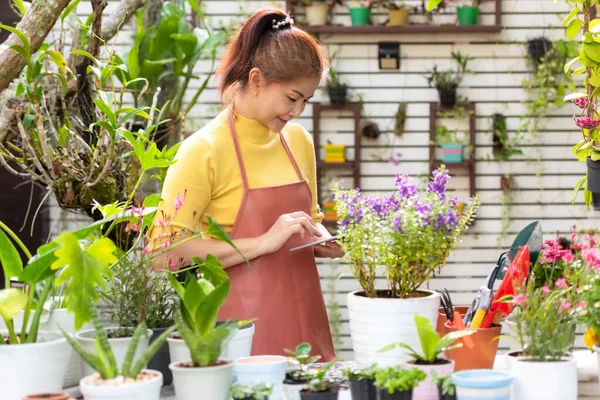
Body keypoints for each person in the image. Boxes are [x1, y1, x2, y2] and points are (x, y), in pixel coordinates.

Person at [148, 8, 343, 361]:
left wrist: (320, 241)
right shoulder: (203, 150)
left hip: (306, 325)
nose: (298, 111)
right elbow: (164, 254)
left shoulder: (298, 140)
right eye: (291, 97)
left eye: (306, 101)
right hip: (239, 336)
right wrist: (261, 243)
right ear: (255, 80)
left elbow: (303, 227)